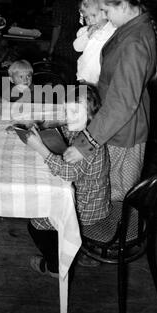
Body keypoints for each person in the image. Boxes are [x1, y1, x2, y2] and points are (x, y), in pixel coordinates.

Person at [64, 0, 157, 201]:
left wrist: (85, 145)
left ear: (124, 5)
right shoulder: (133, 27)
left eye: (107, 10)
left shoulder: (134, 43)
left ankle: (104, 233)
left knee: (109, 194)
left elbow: (122, 104)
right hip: (113, 122)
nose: (104, 16)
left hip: (122, 129)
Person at [26, 84, 111, 275]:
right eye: (65, 109)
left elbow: (68, 173)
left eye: (74, 111)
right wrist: (40, 131)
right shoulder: (87, 132)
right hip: (88, 198)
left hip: (87, 208)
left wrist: (40, 148)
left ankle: (56, 266)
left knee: (36, 224)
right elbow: (66, 133)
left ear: (91, 115)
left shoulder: (88, 146)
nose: (66, 115)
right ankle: (72, 250)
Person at [73, 0, 116, 85]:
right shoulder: (85, 31)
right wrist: (87, 35)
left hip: (102, 80)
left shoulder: (113, 30)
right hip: (84, 77)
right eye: (87, 17)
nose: (90, 20)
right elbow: (77, 47)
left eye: (93, 15)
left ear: (105, 12)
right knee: (84, 99)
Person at [49, 0, 80, 84]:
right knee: (73, 75)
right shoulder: (79, 1)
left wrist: (51, 47)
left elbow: (57, 27)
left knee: (60, 77)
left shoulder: (59, 3)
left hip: (62, 44)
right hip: (77, 43)